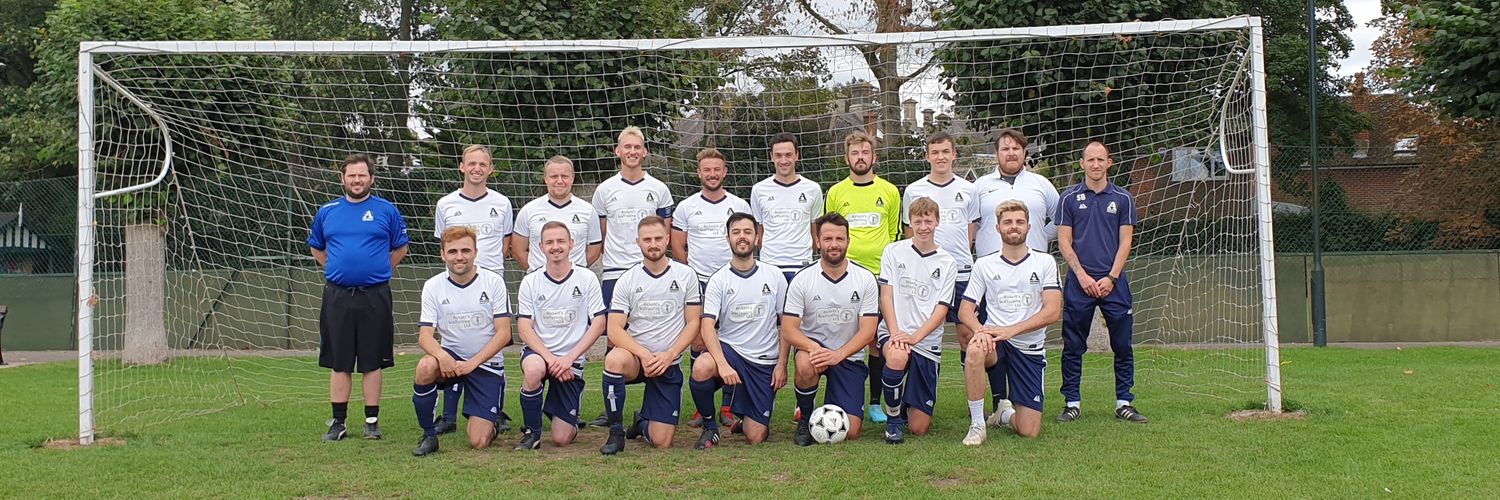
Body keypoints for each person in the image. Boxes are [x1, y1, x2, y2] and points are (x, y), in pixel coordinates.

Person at [307, 153, 409, 442]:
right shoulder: (327, 211)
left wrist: (377, 269)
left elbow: (400, 248)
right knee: (340, 362)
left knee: (371, 361)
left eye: (362, 175)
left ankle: (371, 421)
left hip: (375, 297)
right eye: (351, 175)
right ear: (342, 178)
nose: (357, 180)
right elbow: (317, 247)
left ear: (371, 178)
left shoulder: (386, 210)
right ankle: (338, 422)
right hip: (337, 296)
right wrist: (336, 268)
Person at [971, 128, 1060, 421]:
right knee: (986, 337)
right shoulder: (980, 186)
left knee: (1021, 334)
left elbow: (1060, 220)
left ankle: (1016, 404)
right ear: (997, 153)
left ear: (1025, 153)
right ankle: (998, 402)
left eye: (1016, 148)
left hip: (1031, 273)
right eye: (1005, 148)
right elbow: (970, 227)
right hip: (991, 275)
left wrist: (1039, 240)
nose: (1011, 153)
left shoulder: (1041, 184)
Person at [588, 126, 675, 427]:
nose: (633, 152)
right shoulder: (605, 190)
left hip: (652, 271)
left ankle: (653, 408)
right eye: (627, 147)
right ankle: (611, 409)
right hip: (616, 271)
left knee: (656, 330)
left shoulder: (659, 189)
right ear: (618, 151)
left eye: (637, 147)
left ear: (644, 152)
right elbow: (599, 234)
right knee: (616, 340)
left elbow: (665, 230)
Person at [1056, 141, 1147, 424]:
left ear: (1109, 162)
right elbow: (1063, 241)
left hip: (1114, 283)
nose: (1095, 164)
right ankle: (1072, 403)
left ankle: (1124, 402)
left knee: (1122, 345)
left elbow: (1126, 241)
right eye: (1090, 160)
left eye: (1101, 159)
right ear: (1081, 163)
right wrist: (1082, 276)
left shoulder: (1123, 198)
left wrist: (1111, 277)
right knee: (1073, 346)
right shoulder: (1068, 198)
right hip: (1078, 283)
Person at [957, 200, 1062, 445]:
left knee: (1029, 430)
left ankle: (1004, 413)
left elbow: (1053, 310)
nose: (1013, 227)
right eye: (1007, 222)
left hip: (1029, 348)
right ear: (997, 228)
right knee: (974, 348)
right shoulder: (984, 264)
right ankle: (977, 425)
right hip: (995, 343)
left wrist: (1011, 330)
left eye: (1019, 222)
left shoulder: (1044, 262)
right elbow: (965, 311)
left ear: (1028, 227)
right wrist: (980, 330)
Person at [598, 216, 702, 454]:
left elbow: (693, 322)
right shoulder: (627, 279)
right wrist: (643, 354)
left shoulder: (686, 275)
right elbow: (614, 329)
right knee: (613, 359)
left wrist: (670, 354)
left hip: (668, 361)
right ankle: (616, 432)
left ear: (667, 239)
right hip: (637, 359)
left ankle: (641, 423)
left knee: (662, 441)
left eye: (657, 238)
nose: (653, 244)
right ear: (638, 242)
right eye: (647, 239)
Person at [432, 144, 516, 436]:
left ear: (490, 169)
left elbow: (506, 245)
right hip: (455, 282)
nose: (477, 168)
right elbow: (443, 243)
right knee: (454, 340)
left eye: (483, 164)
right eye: (472, 163)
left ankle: (496, 409)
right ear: (462, 167)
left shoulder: (503, 203)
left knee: (496, 342)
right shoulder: (446, 204)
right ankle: (448, 414)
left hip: (490, 282)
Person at [899, 131, 981, 426]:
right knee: (920, 332)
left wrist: (957, 255)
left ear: (954, 154)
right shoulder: (914, 189)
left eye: (946, 151)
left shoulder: (969, 189)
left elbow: (972, 229)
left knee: (967, 335)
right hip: (924, 277)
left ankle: (975, 401)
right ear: (927, 156)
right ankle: (912, 398)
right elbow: (910, 232)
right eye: (935, 152)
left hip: (960, 272)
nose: (941, 157)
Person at [409, 226, 512, 456]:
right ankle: (429, 435)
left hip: (485, 363)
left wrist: (473, 362)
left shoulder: (493, 281)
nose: (459, 256)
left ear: (476, 251)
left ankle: (492, 421)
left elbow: (504, 333)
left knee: (479, 441)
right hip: (452, 360)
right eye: (453, 251)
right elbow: (425, 336)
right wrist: (442, 356)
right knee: (426, 366)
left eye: (465, 250)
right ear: (443, 254)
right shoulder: (433, 285)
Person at [690, 213, 789, 448]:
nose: (742, 237)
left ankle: (743, 421)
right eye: (736, 232)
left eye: (747, 232)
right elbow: (707, 325)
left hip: (763, 360)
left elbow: (786, 323)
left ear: (757, 237)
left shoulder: (774, 276)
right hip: (731, 351)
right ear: (728, 239)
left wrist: (782, 364)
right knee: (702, 366)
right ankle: (710, 428)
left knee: (756, 437)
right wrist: (722, 364)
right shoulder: (719, 279)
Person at [824, 131, 902, 424]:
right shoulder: (835, 192)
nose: (860, 158)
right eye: (854, 153)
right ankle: (817, 397)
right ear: (847, 158)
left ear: (873, 157)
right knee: (837, 331)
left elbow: (895, 235)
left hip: (880, 277)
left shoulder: (890, 191)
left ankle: (874, 403)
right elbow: (829, 232)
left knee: (873, 340)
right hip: (844, 276)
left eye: (865, 153)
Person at [671, 147, 751, 429]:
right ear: (699, 173)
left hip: (733, 281)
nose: (712, 174)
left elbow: (749, 240)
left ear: (725, 172)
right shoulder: (686, 207)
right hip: (700, 282)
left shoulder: (740, 204)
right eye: (707, 169)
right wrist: (693, 274)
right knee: (698, 340)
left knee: (729, 338)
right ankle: (700, 405)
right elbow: (678, 244)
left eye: (717, 169)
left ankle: (728, 405)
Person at [783, 213, 879, 445]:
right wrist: (814, 348)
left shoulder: (865, 278)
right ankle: (805, 419)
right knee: (805, 363)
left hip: (848, 355)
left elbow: (868, 331)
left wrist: (838, 354)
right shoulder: (803, 279)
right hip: (815, 351)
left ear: (848, 241)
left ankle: (831, 404)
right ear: (817, 241)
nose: (833, 244)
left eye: (839, 238)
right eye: (827, 239)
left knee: (852, 431)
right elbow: (788, 329)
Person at [513, 222, 608, 450]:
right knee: (534, 369)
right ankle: (532, 433)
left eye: (561, 241)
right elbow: (525, 329)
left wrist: (568, 358)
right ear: (541, 247)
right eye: (550, 242)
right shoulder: (531, 281)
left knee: (561, 438)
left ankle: (562, 414)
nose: (556, 247)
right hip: (540, 353)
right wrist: (552, 359)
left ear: (571, 244)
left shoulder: (586, 278)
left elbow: (599, 322)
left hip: (570, 360)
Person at [876, 198, 957, 444]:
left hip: (925, 341)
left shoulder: (948, 262)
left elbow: (941, 310)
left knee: (920, 428)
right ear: (910, 222)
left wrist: (914, 337)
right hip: (895, 332)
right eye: (918, 221)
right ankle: (892, 421)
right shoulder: (894, 250)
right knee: (898, 355)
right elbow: (886, 295)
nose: (923, 226)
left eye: (928, 221)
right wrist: (895, 333)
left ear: (937, 222)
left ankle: (902, 402)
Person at [749, 133, 823, 283]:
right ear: (771, 157)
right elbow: (759, 231)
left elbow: (815, 229)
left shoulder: (813, 189)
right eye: (778, 155)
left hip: (802, 265)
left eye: (788, 155)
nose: (783, 160)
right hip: (770, 265)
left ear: (797, 155)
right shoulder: (759, 190)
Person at [513, 155, 603, 271]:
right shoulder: (529, 210)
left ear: (572, 178)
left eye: (564, 176)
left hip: (575, 282)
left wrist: (573, 271)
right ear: (546, 179)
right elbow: (517, 250)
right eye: (554, 176)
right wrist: (538, 271)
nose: (559, 181)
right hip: (539, 283)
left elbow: (594, 250)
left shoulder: (588, 211)